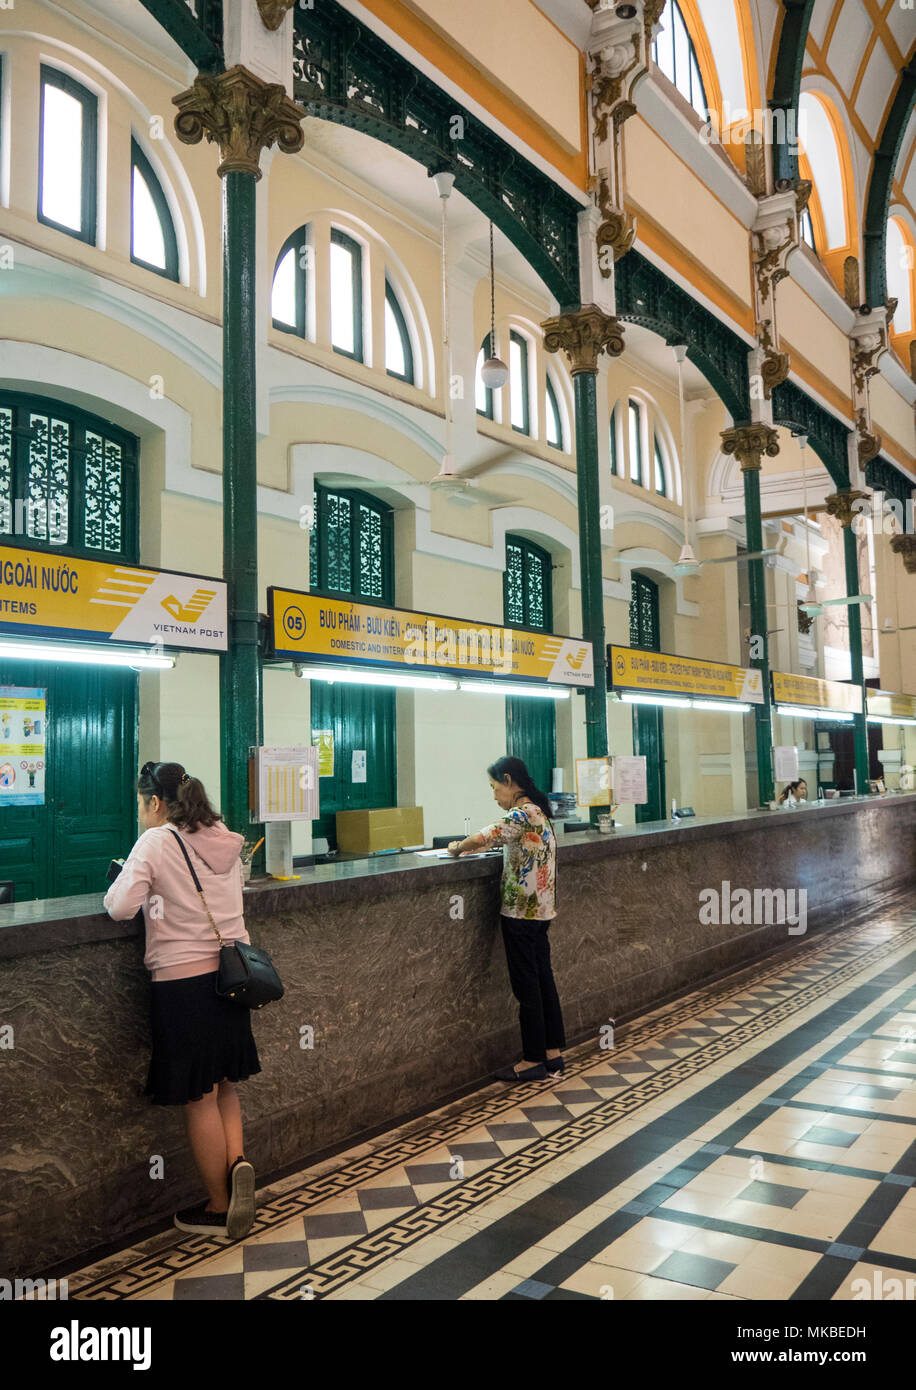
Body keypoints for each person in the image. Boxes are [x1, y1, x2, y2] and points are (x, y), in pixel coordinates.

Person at [104, 761, 259, 1239]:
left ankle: (217, 1206)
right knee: (225, 1085)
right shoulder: (223, 837)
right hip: (232, 978)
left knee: (198, 1095)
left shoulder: (156, 841)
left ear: (155, 803)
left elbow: (119, 907)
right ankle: (237, 1176)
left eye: (139, 805)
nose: (139, 815)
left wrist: (130, 876)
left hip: (182, 984)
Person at [448, 755, 565, 1083]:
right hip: (541, 911)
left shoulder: (520, 813)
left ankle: (532, 1060)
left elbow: (483, 836)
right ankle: (553, 1054)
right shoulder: (539, 812)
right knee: (543, 981)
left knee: (526, 987)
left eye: (494, 786)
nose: (493, 794)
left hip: (520, 914)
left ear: (509, 781)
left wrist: (457, 846)